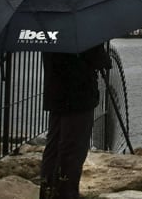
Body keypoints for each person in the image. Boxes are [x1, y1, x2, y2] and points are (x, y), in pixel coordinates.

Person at [39, 43, 112, 199]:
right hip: (79, 97)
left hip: (56, 95)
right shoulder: (82, 32)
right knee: (73, 149)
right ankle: (67, 193)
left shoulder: (49, 27)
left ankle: (47, 190)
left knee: (53, 146)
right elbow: (101, 60)